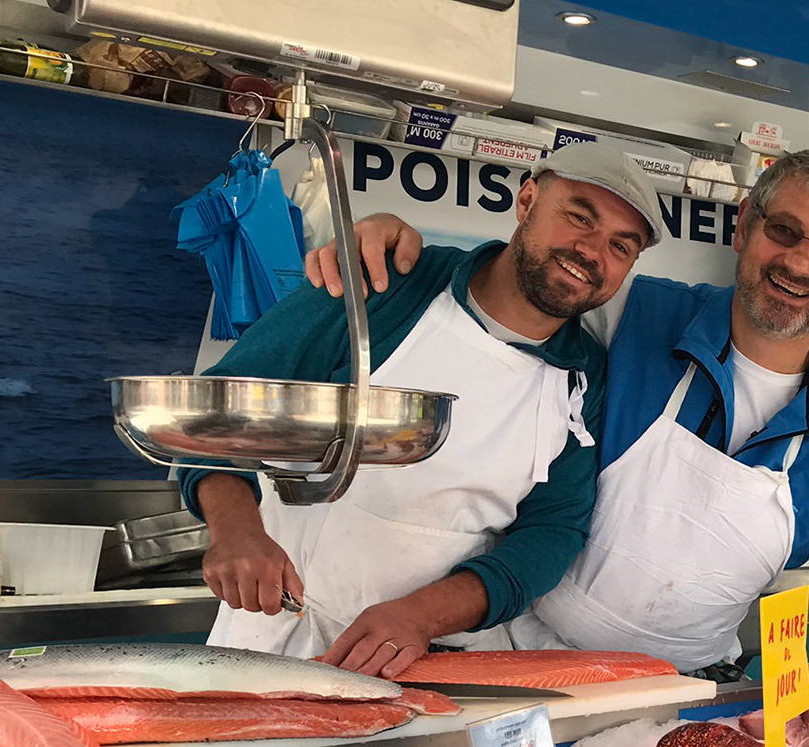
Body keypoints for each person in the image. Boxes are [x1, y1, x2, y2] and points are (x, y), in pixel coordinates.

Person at [309, 147, 809, 672]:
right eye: (783, 231)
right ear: (744, 225)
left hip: (678, 696)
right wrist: (395, 241)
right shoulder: (630, 314)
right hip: (519, 656)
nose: (800, 264)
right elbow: (508, 287)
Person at [183, 142, 664, 676]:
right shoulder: (386, 284)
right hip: (277, 634)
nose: (592, 252)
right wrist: (237, 532)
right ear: (526, 200)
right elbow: (220, 409)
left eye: (621, 247)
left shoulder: (582, 375)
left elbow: (552, 531)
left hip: (433, 655)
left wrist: (420, 616)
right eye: (578, 217)